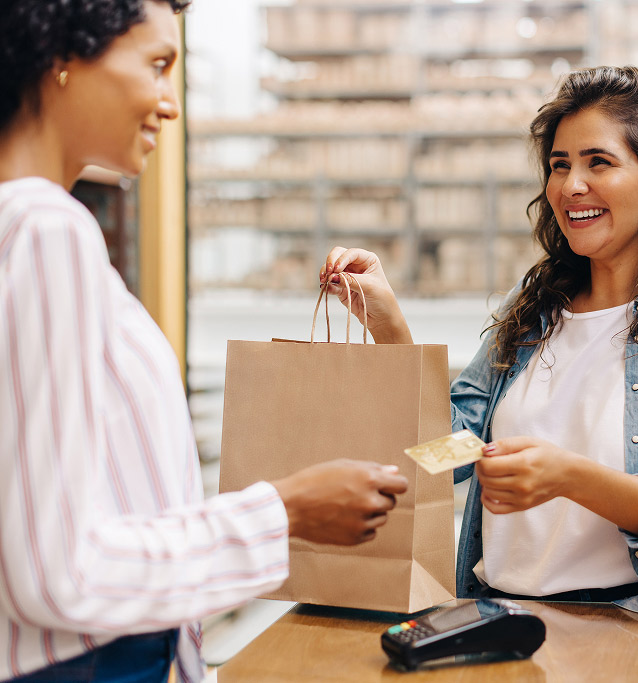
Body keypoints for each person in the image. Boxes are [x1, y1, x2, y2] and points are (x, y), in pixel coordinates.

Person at [0, 2, 408, 681]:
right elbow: (55, 571)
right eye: (157, 66)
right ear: (60, 57)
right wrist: (287, 508)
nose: (170, 105)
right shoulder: (46, 229)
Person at [320, 65, 638, 614]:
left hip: (631, 623)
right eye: (559, 165)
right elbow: (447, 454)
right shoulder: (532, 309)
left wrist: (568, 476)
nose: (572, 186)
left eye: (599, 162)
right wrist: (388, 326)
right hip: (498, 619)